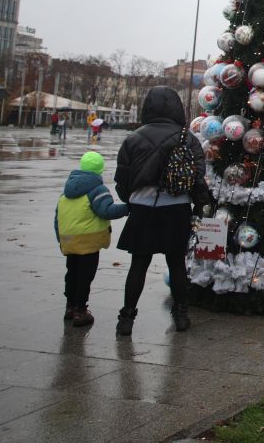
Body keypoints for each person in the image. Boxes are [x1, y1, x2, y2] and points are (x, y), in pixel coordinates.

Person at [114, 86, 209, 335]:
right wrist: (199, 207)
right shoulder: (187, 138)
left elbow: (122, 178)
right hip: (177, 208)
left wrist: (130, 200)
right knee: (177, 263)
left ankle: (127, 318)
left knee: (138, 265)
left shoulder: (133, 138)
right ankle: (181, 315)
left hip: (143, 208)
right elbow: (199, 177)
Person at [55, 151, 128, 326]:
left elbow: (57, 217)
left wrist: (60, 237)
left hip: (69, 240)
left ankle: (70, 306)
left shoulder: (67, 190)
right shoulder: (97, 190)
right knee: (84, 276)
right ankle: (81, 311)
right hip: (88, 241)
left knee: (71, 273)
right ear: (100, 170)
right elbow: (106, 211)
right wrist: (128, 208)